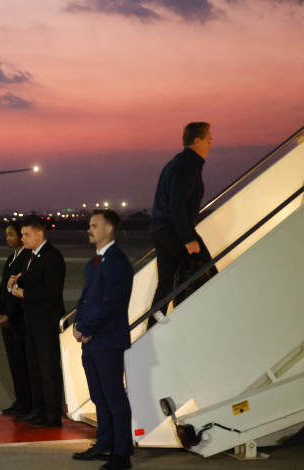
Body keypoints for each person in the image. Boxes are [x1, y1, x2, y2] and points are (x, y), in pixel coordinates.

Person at [72, 209, 134, 470]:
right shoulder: (94, 262)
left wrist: (85, 326)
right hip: (92, 340)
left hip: (108, 340)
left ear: (109, 229)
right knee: (99, 396)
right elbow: (86, 298)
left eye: (94, 225)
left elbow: (111, 303)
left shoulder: (118, 262)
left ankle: (122, 454)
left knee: (114, 397)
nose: (89, 229)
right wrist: (77, 323)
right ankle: (104, 444)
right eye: (90, 225)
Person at [148, 122, 215, 328]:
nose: (211, 144)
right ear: (197, 141)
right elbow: (176, 206)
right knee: (207, 274)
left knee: (167, 282)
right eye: (208, 140)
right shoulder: (188, 165)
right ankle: (198, 323)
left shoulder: (178, 163)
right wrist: (188, 239)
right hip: (174, 230)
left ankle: (153, 328)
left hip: (161, 229)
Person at [8, 215, 65, 429]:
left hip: (46, 324)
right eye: (22, 234)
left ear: (39, 234)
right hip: (31, 323)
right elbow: (26, 279)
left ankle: (52, 415)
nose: (22, 238)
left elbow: (51, 291)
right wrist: (14, 283)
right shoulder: (31, 256)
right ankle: (38, 410)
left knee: (48, 370)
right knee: (34, 368)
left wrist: (24, 294)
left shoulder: (52, 257)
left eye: (26, 234)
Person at [0, 221, 32, 416]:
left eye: (11, 235)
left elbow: (18, 292)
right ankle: (21, 400)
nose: (7, 238)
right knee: (14, 363)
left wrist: (9, 314)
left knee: (23, 363)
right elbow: (3, 289)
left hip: (18, 321)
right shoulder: (11, 258)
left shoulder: (26, 258)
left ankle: (28, 403)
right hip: (7, 320)